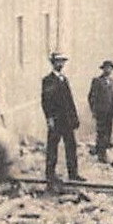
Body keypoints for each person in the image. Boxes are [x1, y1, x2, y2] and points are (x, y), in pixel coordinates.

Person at [41, 51, 83, 183]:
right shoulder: (48, 80)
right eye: (58, 61)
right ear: (53, 63)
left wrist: (74, 118)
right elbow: (45, 101)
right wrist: (49, 118)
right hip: (56, 120)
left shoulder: (64, 80)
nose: (61, 64)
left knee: (71, 146)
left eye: (63, 62)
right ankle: (50, 174)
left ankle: (73, 173)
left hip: (67, 120)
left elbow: (70, 102)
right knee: (52, 146)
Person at [88, 61, 113, 162]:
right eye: (106, 68)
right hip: (100, 111)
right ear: (103, 69)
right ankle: (101, 155)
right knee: (101, 132)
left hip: (110, 111)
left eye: (110, 68)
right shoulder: (97, 81)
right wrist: (94, 110)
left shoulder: (112, 82)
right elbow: (91, 97)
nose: (108, 70)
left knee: (108, 131)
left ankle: (102, 149)